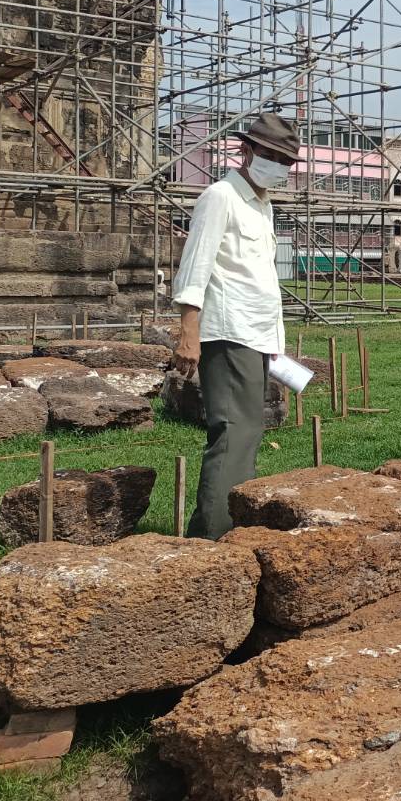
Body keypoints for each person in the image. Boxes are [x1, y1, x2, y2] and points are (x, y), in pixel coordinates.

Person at [171, 111, 300, 539]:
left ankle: (224, 526)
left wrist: (275, 345)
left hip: (255, 333)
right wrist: (189, 332)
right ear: (245, 150)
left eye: (285, 161)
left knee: (247, 434)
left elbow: (258, 278)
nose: (277, 167)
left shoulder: (262, 205)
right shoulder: (221, 196)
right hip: (227, 333)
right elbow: (195, 267)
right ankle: (211, 538)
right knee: (233, 433)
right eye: (270, 155)